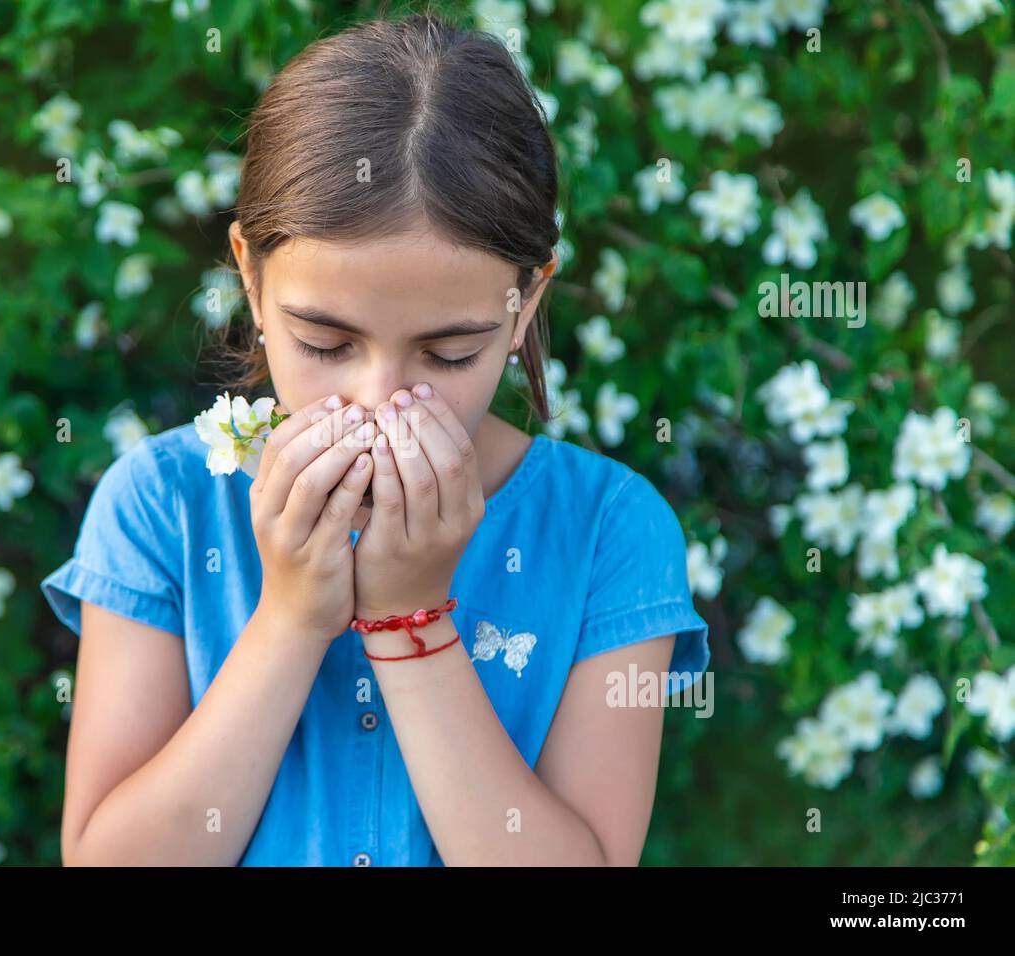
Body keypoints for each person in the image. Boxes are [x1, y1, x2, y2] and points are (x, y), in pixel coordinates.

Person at [41, 12, 709, 866]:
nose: (380, 400)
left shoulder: (609, 532)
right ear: (250, 276)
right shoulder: (162, 506)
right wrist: (287, 619)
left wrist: (410, 620)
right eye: (325, 344)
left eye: (449, 352)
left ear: (524, 307)